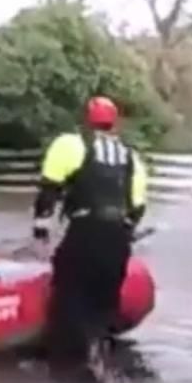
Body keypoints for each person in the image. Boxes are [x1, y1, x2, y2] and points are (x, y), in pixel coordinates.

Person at [31, 95, 148, 367]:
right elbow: (138, 206)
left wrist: (41, 225)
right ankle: (101, 358)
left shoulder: (71, 145)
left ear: (86, 120)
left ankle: (66, 369)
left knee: (69, 298)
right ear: (114, 124)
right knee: (103, 303)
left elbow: (50, 187)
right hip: (118, 238)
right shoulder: (131, 158)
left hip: (85, 232)